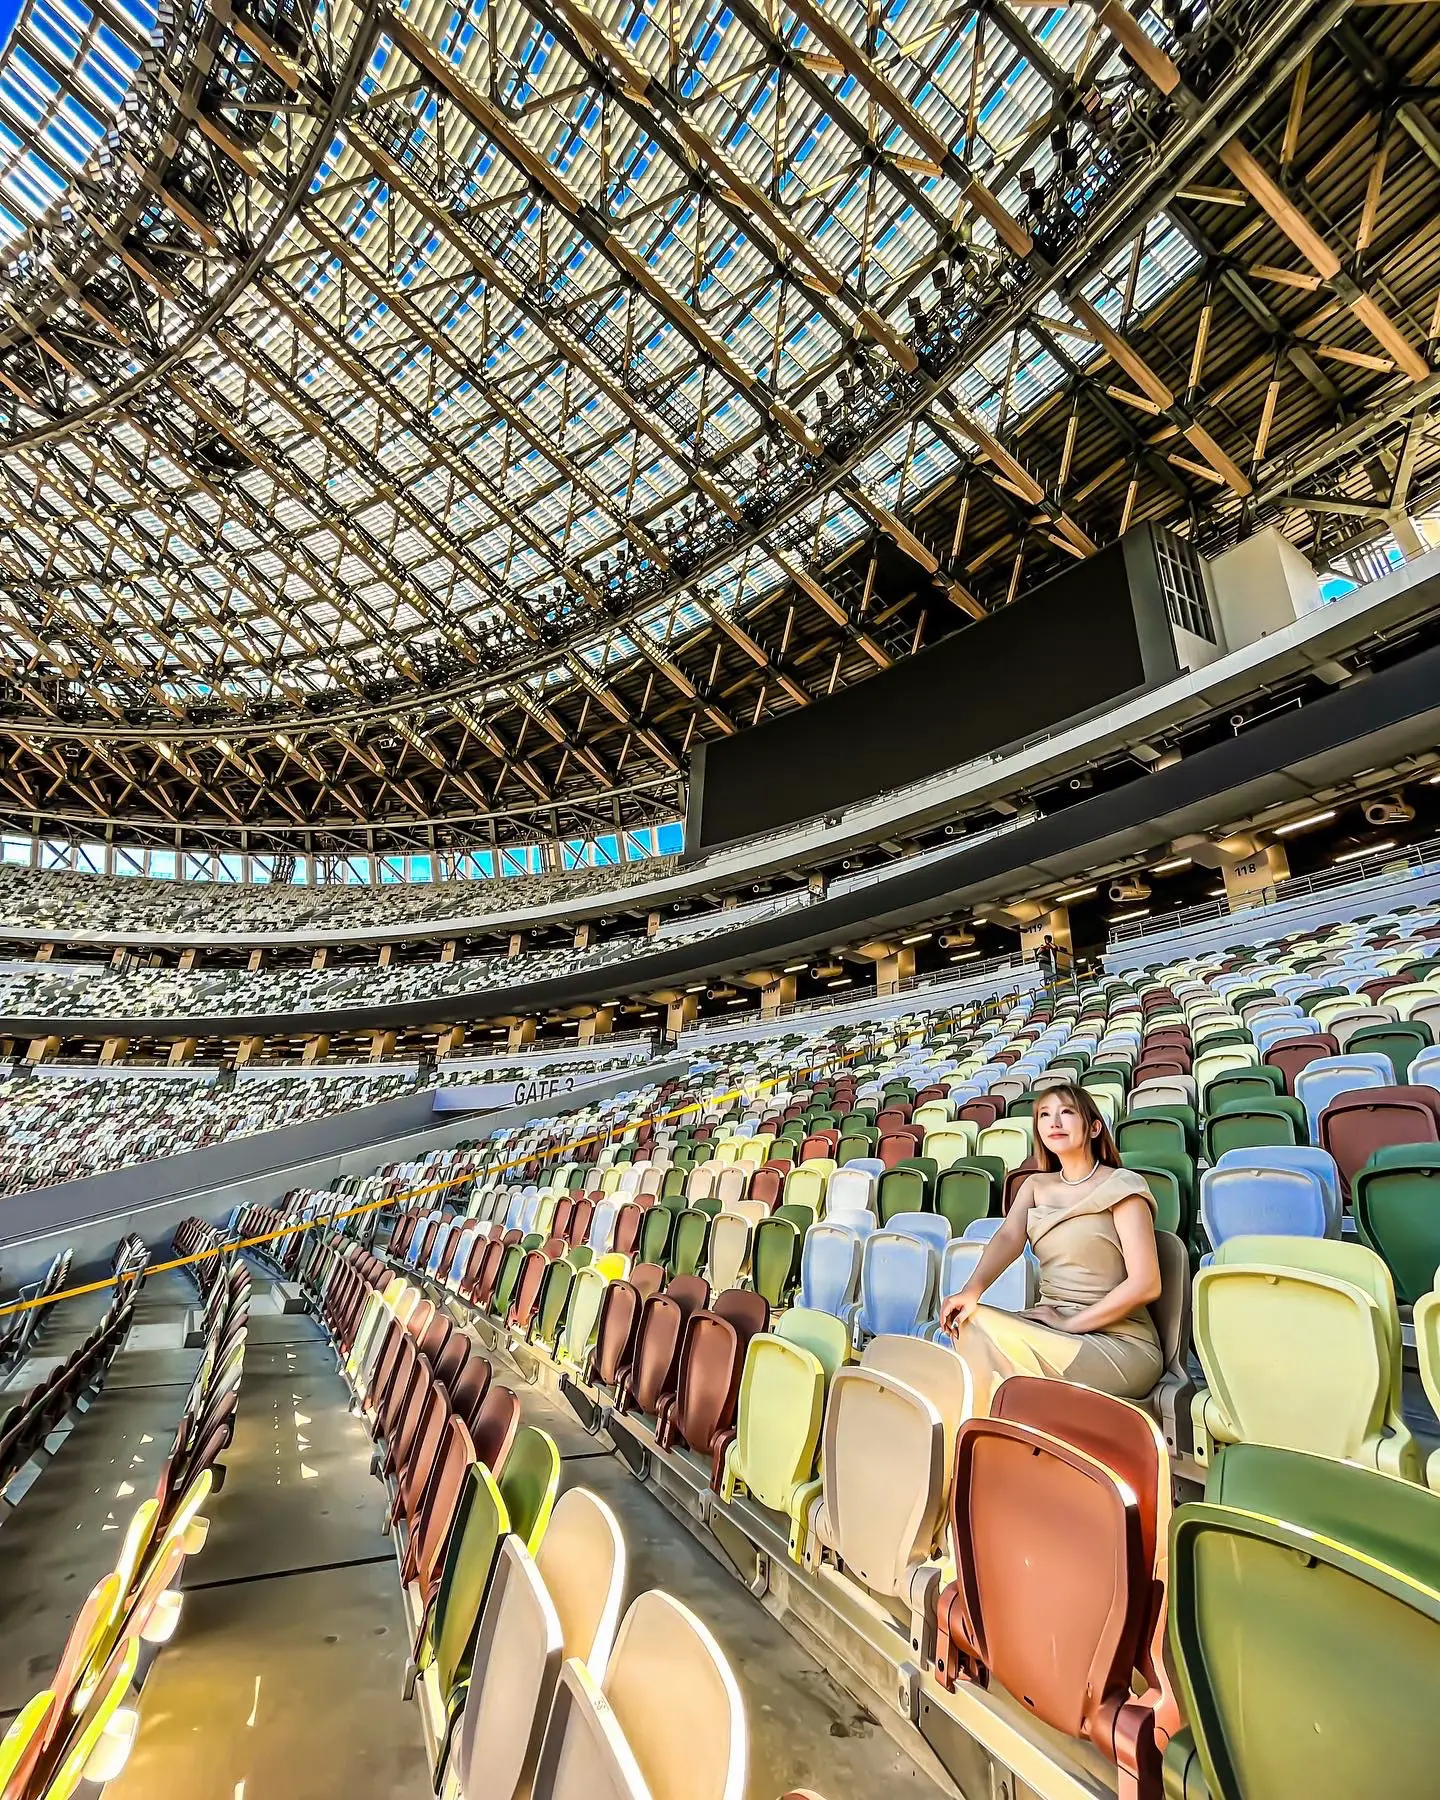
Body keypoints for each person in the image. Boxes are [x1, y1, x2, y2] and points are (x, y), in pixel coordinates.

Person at [939, 1082, 1163, 1408]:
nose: (1054, 1122)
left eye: (1067, 1112)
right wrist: (971, 1292)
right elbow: (1007, 1238)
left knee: (983, 1341)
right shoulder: (1035, 1185)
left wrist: (1070, 1324)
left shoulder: (1123, 1186)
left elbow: (1147, 1284)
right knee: (969, 1322)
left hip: (1120, 1342)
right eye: (1044, 1115)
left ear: (1094, 1127)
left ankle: (982, 1441)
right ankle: (991, 1439)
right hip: (1052, 1328)